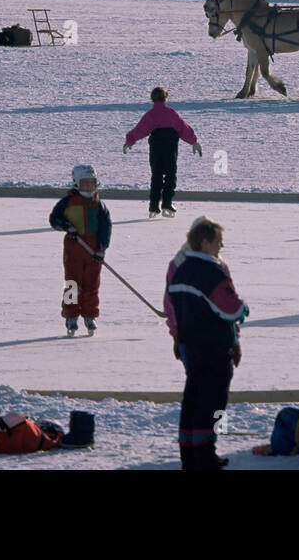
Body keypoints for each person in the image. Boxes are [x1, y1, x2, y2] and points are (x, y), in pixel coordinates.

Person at [167, 216, 248, 469]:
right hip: (213, 348)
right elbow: (231, 309)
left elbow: (171, 308)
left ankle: (189, 454)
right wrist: (244, 309)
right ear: (204, 242)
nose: (221, 247)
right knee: (212, 402)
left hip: (191, 346)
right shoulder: (211, 271)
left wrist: (176, 336)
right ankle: (205, 455)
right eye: (218, 242)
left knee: (192, 401)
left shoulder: (180, 269)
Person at [49, 163, 113, 337]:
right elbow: (54, 219)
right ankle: (71, 316)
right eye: (85, 183)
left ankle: (90, 315)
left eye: (92, 183)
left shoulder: (99, 205)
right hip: (74, 249)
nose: (89, 186)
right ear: (76, 183)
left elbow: (106, 228)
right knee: (72, 284)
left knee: (92, 285)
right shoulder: (67, 202)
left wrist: (101, 248)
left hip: (93, 251)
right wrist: (66, 226)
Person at [123, 86, 202, 218]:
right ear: (166, 98)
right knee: (170, 175)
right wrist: (194, 142)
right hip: (170, 149)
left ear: (152, 99)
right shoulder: (171, 113)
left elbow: (140, 130)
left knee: (156, 176)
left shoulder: (150, 115)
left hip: (156, 149)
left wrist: (129, 141)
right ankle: (166, 203)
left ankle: (153, 207)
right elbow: (183, 129)